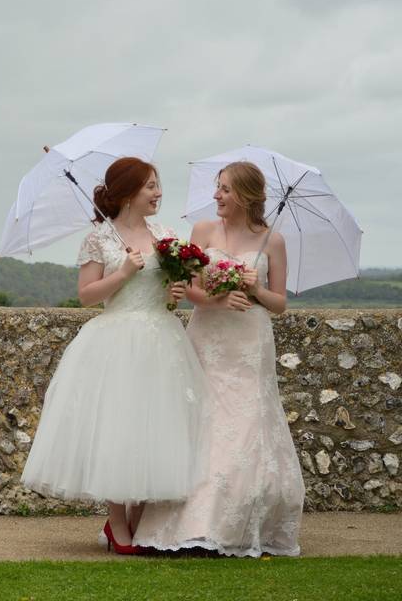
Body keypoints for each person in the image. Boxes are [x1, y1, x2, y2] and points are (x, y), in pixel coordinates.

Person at [20, 156, 209, 555]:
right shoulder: (97, 239)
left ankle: (138, 519)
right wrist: (122, 272)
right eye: (151, 186)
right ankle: (118, 523)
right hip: (116, 339)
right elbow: (87, 296)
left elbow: (172, 290)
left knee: (153, 426)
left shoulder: (165, 234)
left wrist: (174, 294)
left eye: (158, 185)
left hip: (162, 338)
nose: (159, 193)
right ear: (126, 193)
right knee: (117, 427)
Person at [134, 161, 305, 556]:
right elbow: (189, 289)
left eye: (225, 189)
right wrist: (218, 297)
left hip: (248, 342)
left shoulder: (273, 242)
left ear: (245, 195)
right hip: (207, 336)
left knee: (245, 423)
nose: (217, 196)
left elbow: (280, 304)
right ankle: (189, 523)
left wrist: (256, 289)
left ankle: (232, 526)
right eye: (217, 188)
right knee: (202, 420)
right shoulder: (204, 232)